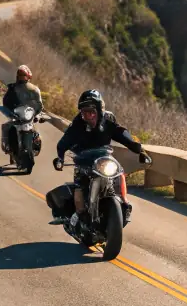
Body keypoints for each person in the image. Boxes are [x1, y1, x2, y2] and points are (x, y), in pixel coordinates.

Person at [48, 88, 149, 225]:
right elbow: (65, 141)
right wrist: (60, 157)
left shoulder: (108, 119)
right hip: (83, 159)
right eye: (84, 113)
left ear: (99, 110)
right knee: (80, 185)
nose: (87, 116)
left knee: (119, 173)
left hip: (103, 158)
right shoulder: (78, 123)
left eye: (91, 112)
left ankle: (124, 203)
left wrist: (139, 149)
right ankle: (79, 214)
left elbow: (121, 133)